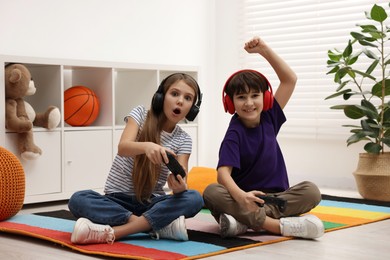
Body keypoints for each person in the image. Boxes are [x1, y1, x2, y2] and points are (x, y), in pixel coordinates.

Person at [203, 36, 324, 239]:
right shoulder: (234, 133)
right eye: (241, 97)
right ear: (231, 104)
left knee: (312, 191)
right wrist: (241, 197)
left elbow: (289, 80)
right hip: (244, 198)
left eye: (254, 95)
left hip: (275, 199)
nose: (249, 103)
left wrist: (264, 50)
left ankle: (242, 222)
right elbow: (222, 175)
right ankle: (276, 226)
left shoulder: (270, 118)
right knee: (212, 192)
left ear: (265, 98)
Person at [68, 73, 204, 244]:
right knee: (78, 199)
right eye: (174, 94)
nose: (180, 101)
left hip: (152, 202)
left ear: (192, 108)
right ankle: (152, 225)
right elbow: (123, 147)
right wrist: (147, 146)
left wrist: (178, 187)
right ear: (161, 96)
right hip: (117, 200)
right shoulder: (140, 114)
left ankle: (118, 231)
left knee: (195, 198)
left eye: (188, 98)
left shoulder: (185, 140)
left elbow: (182, 178)